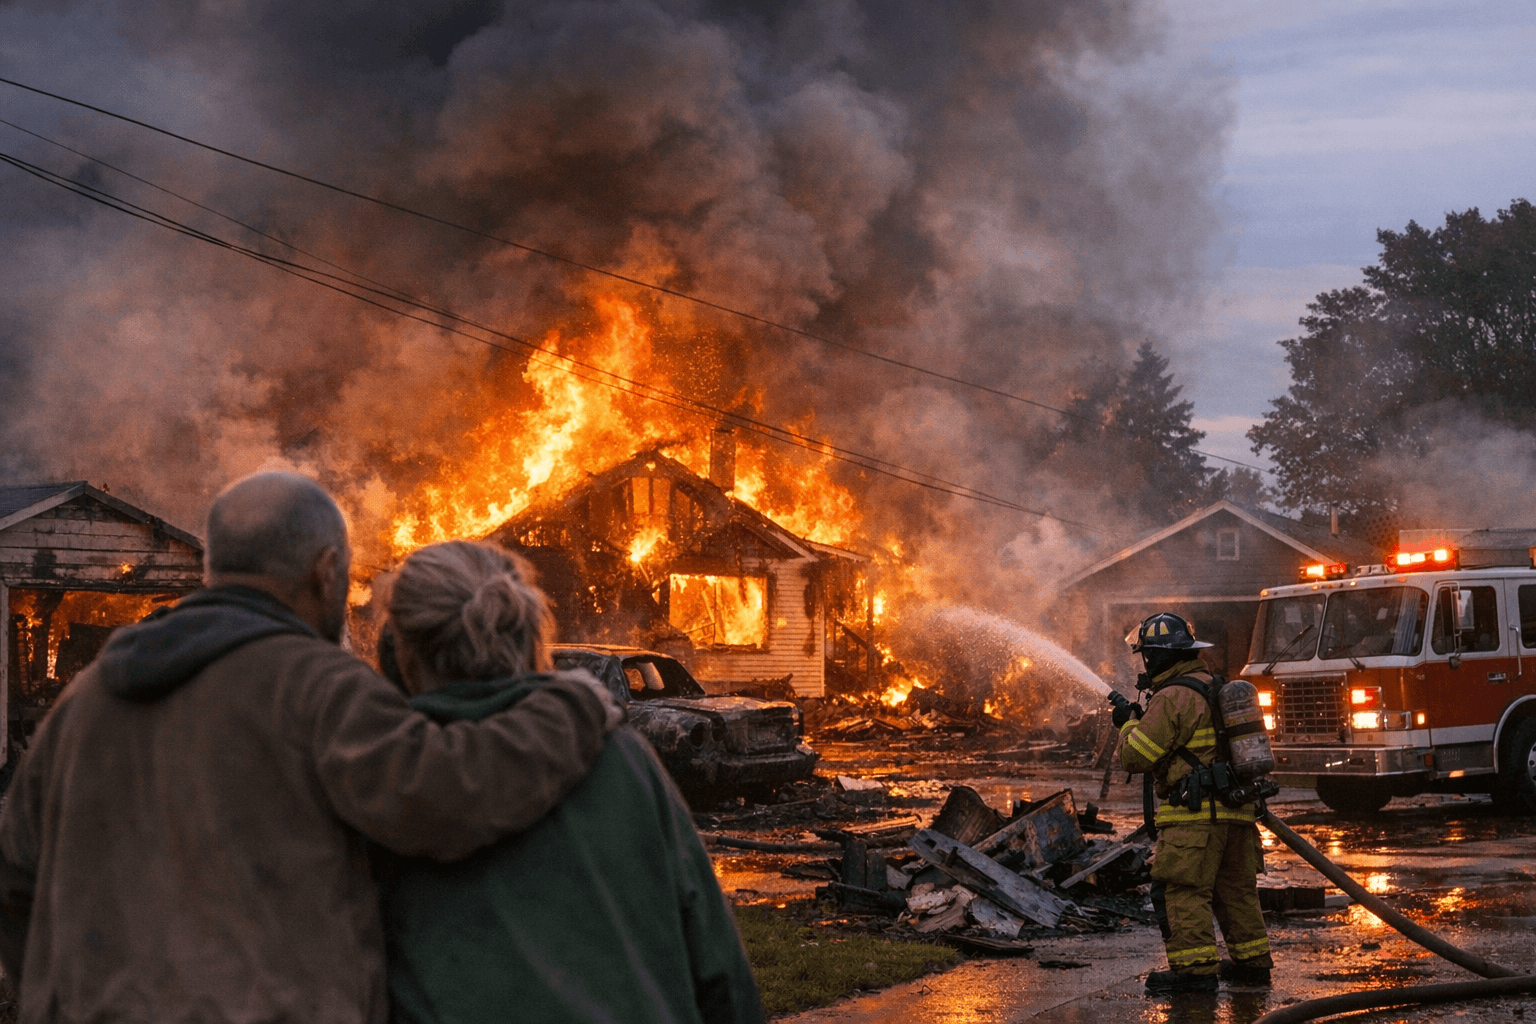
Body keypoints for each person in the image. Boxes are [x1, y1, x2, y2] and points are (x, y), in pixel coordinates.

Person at [0, 472, 625, 1023]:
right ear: (327, 571)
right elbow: (450, 793)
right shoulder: (319, 689)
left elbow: (13, 877)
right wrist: (572, 704)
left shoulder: (85, 702)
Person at [373, 539, 764, 1024]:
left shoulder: (376, 782)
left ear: (400, 652)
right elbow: (719, 968)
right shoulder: (620, 760)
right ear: (530, 642)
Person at [1112, 611, 1272, 994]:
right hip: (1238, 812)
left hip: (1195, 818)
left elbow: (1135, 757)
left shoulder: (1172, 697)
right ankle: (1252, 964)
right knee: (1236, 892)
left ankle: (1194, 971)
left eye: (1147, 655)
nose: (1145, 663)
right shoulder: (1216, 687)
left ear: (1157, 655)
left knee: (1183, 891)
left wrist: (1128, 724)